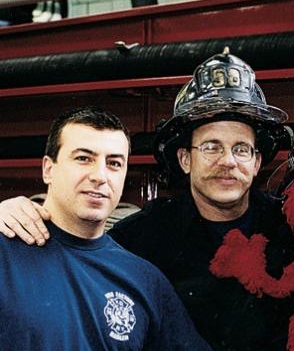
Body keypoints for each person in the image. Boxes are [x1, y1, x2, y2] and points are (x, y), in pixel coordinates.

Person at [0, 50, 294, 350]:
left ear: (257, 163)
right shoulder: (141, 239)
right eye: (211, 147)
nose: (228, 161)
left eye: (242, 149)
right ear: (184, 159)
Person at [0, 106, 209, 350]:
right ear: (48, 169)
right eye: (83, 158)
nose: (100, 175)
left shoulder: (144, 280)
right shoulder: (5, 251)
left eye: (114, 163)